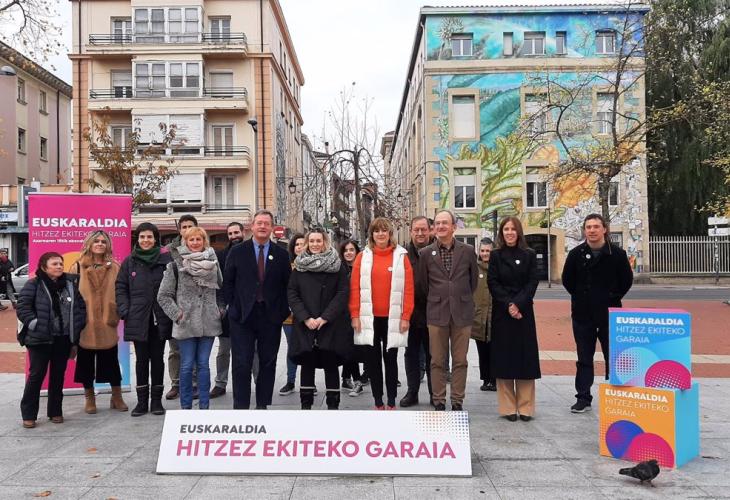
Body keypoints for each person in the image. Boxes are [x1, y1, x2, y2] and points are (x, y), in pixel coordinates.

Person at [562, 213, 633, 413]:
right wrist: (581, 297)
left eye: (596, 226)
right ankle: (583, 397)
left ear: (604, 229)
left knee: (613, 356)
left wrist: (610, 297)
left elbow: (626, 281)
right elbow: (568, 280)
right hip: (582, 315)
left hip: (609, 314)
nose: (592, 230)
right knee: (584, 357)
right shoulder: (575, 254)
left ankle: (615, 395)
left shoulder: (617, 254)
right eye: (588, 227)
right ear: (584, 231)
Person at [223, 209, 291, 410]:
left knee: (268, 362)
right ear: (251, 226)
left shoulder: (281, 254)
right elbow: (228, 282)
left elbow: (288, 285)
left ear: (272, 228)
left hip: (270, 317)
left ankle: (263, 405)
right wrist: (232, 308)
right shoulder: (237, 251)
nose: (262, 226)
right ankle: (241, 407)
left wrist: (282, 311)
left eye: (266, 223)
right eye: (259, 223)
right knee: (241, 362)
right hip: (242, 316)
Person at [350, 218, 414, 410]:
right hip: (369, 319)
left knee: (391, 360)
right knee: (373, 362)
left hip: (392, 319)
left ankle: (391, 402)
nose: (380, 234)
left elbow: (408, 290)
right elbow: (355, 288)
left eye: (384, 230)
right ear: (372, 234)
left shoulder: (401, 257)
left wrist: (406, 316)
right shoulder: (362, 257)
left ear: (389, 234)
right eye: (376, 231)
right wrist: (355, 315)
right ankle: (378, 402)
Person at [417, 210, 478, 411]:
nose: (441, 226)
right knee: (437, 360)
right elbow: (423, 285)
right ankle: (439, 400)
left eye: (445, 223)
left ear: (453, 227)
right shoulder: (426, 253)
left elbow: (473, 282)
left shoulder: (468, 251)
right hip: (436, 313)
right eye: (438, 223)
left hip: (462, 313)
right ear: (434, 228)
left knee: (460, 360)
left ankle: (457, 400)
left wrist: (459, 297)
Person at [17, 252, 86, 428]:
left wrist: (77, 326)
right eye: (54, 264)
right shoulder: (34, 284)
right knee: (36, 376)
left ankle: (55, 411)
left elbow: (80, 307)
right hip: (39, 339)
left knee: (58, 376)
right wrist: (35, 324)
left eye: (60, 263)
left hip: (63, 338)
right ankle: (29, 414)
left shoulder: (70, 284)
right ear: (44, 267)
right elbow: (23, 308)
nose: (59, 267)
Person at [157, 226, 223, 410]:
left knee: (203, 365)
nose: (195, 243)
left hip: (208, 321)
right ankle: (186, 407)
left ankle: (204, 406)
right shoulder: (175, 265)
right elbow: (163, 295)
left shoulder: (213, 262)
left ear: (204, 241)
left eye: (198, 239)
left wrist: (220, 309)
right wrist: (177, 314)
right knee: (186, 365)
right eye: (191, 239)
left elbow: (221, 287)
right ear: (185, 242)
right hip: (185, 323)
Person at [288, 230, 352, 409]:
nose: (315, 244)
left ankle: (333, 406)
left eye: (319, 241)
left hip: (330, 324)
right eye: (312, 241)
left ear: (325, 242)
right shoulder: (299, 266)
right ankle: (306, 406)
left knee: (331, 364)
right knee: (307, 365)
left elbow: (342, 293)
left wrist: (325, 317)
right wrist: (305, 318)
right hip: (306, 324)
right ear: (307, 243)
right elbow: (292, 293)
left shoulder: (337, 265)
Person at [115, 222, 173, 417]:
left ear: (155, 239)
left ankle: (156, 402)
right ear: (137, 239)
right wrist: (125, 311)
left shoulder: (166, 260)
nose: (146, 240)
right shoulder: (129, 261)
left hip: (160, 317)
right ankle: (141, 402)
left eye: (149, 237)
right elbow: (120, 287)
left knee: (157, 359)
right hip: (138, 318)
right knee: (141, 360)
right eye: (142, 237)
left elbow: (175, 287)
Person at [487, 217, 540, 422]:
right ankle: (508, 407)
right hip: (503, 313)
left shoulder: (529, 254)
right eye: (506, 229)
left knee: (525, 359)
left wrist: (518, 304)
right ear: (502, 232)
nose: (509, 232)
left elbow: (532, 282)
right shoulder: (495, 255)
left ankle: (526, 408)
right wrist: (509, 304)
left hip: (523, 312)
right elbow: (493, 283)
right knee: (504, 359)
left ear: (519, 232)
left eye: (513, 229)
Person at [72, 230, 128, 414]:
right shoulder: (77, 266)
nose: (100, 244)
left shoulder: (115, 267)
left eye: (104, 241)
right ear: (89, 243)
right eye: (96, 241)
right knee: (85, 362)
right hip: (85, 321)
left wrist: (117, 311)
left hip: (107, 320)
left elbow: (122, 291)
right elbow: (70, 295)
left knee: (111, 360)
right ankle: (89, 397)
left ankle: (116, 396)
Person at [400, 216, 434, 407]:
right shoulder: (403, 255)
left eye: (423, 229)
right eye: (416, 230)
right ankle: (412, 392)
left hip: (434, 313)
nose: (420, 233)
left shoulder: (437, 251)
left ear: (430, 230)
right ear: (411, 231)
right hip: (410, 315)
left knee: (433, 356)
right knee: (411, 354)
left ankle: (435, 393)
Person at [164, 214, 198, 400]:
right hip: (176, 308)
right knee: (175, 349)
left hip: (198, 309)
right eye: (184, 227)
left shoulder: (202, 247)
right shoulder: (169, 251)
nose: (187, 230)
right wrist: (174, 311)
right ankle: (176, 384)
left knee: (196, 350)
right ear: (179, 230)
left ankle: (194, 383)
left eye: (190, 226)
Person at [210, 222, 245, 399]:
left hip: (248, 311)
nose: (233, 236)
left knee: (252, 351)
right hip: (227, 311)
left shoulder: (252, 253)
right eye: (230, 234)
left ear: (243, 232)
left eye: (236, 232)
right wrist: (221, 306)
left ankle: (257, 381)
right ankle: (220, 383)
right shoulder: (221, 256)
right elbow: (218, 284)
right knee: (224, 350)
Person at [279, 233, 305, 396]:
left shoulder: (313, 265)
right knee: (292, 348)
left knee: (308, 348)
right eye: (297, 244)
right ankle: (290, 381)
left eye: (303, 244)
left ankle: (308, 382)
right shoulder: (286, 267)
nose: (300, 247)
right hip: (289, 315)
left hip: (308, 315)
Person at [339, 239, 365, 395]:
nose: (348, 253)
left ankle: (350, 378)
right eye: (346, 250)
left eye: (351, 250)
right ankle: (355, 380)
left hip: (361, 312)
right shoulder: (339, 269)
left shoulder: (363, 268)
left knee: (354, 347)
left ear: (357, 252)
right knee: (349, 347)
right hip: (343, 314)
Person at [473, 237, 496, 392]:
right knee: (482, 350)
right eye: (482, 250)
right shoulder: (474, 269)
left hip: (494, 317)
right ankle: (485, 379)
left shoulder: (497, 268)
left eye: (488, 251)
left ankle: (494, 379)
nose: (485, 253)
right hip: (478, 317)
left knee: (495, 350)